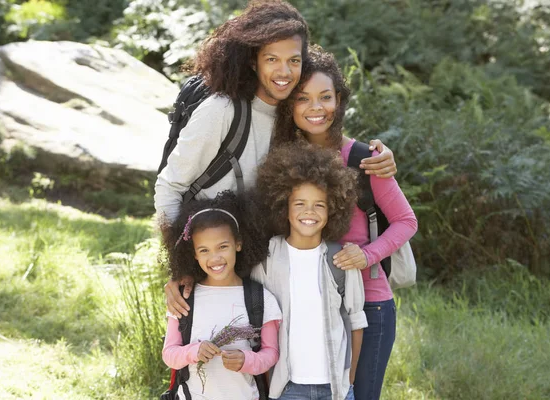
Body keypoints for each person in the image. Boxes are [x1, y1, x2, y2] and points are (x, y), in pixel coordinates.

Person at [154, 0, 398, 319]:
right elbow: (169, 186)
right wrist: (181, 266)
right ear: (254, 61)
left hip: (262, 279)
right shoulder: (222, 110)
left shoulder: (288, 114)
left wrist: (379, 155)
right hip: (210, 273)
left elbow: (328, 139)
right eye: (272, 59)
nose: (284, 72)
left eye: (293, 60)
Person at [272, 45, 419, 399]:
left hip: (368, 303)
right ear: (290, 105)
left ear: (339, 100)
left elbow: (405, 220)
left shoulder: (364, 159)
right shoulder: (280, 159)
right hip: (304, 302)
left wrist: (367, 254)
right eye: (303, 98)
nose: (316, 108)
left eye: (325, 97)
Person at [252, 143, 366, 400]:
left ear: (332, 209)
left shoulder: (342, 258)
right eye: (299, 203)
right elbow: (257, 320)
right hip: (287, 388)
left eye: (319, 205)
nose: (309, 213)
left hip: (336, 388)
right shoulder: (267, 257)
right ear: (284, 206)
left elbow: (356, 321)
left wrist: (350, 378)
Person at [160, 191, 281, 400]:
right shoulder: (185, 298)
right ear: (195, 254)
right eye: (204, 250)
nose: (215, 258)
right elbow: (169, 354)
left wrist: (246, 360)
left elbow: (271, 353)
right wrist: (193, 351)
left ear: (238, 244)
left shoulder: (260, 298)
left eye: (223, 247)